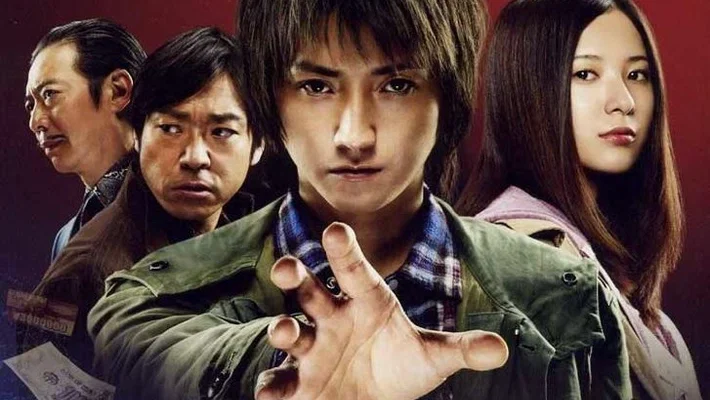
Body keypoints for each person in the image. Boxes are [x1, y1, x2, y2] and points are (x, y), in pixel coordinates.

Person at [89, 1, 631, 399]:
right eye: (317, 87)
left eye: (396, 86)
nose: (354, 135)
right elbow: (157, 356)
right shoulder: (149, 296)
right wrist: (291, 355)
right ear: (269, 100)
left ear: (448, 98)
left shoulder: (567, 300)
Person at [456, 0, 701, 399]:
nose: (624, 101)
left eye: (637, 74)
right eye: (585, 74)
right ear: (528, 91)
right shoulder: (523, 256)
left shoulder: (608, 274)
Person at [20, 27, 263, 373]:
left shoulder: (264, 240)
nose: (195, 157)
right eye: (171, 129)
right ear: (138, 132)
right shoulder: (85, 268)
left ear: (258, 145)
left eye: (221, 132)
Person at [24, 18, 146, 261]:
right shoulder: (65, 237)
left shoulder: (179, 204)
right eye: (30, 105)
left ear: (118, 90)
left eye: (50, 94)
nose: (35, 122)